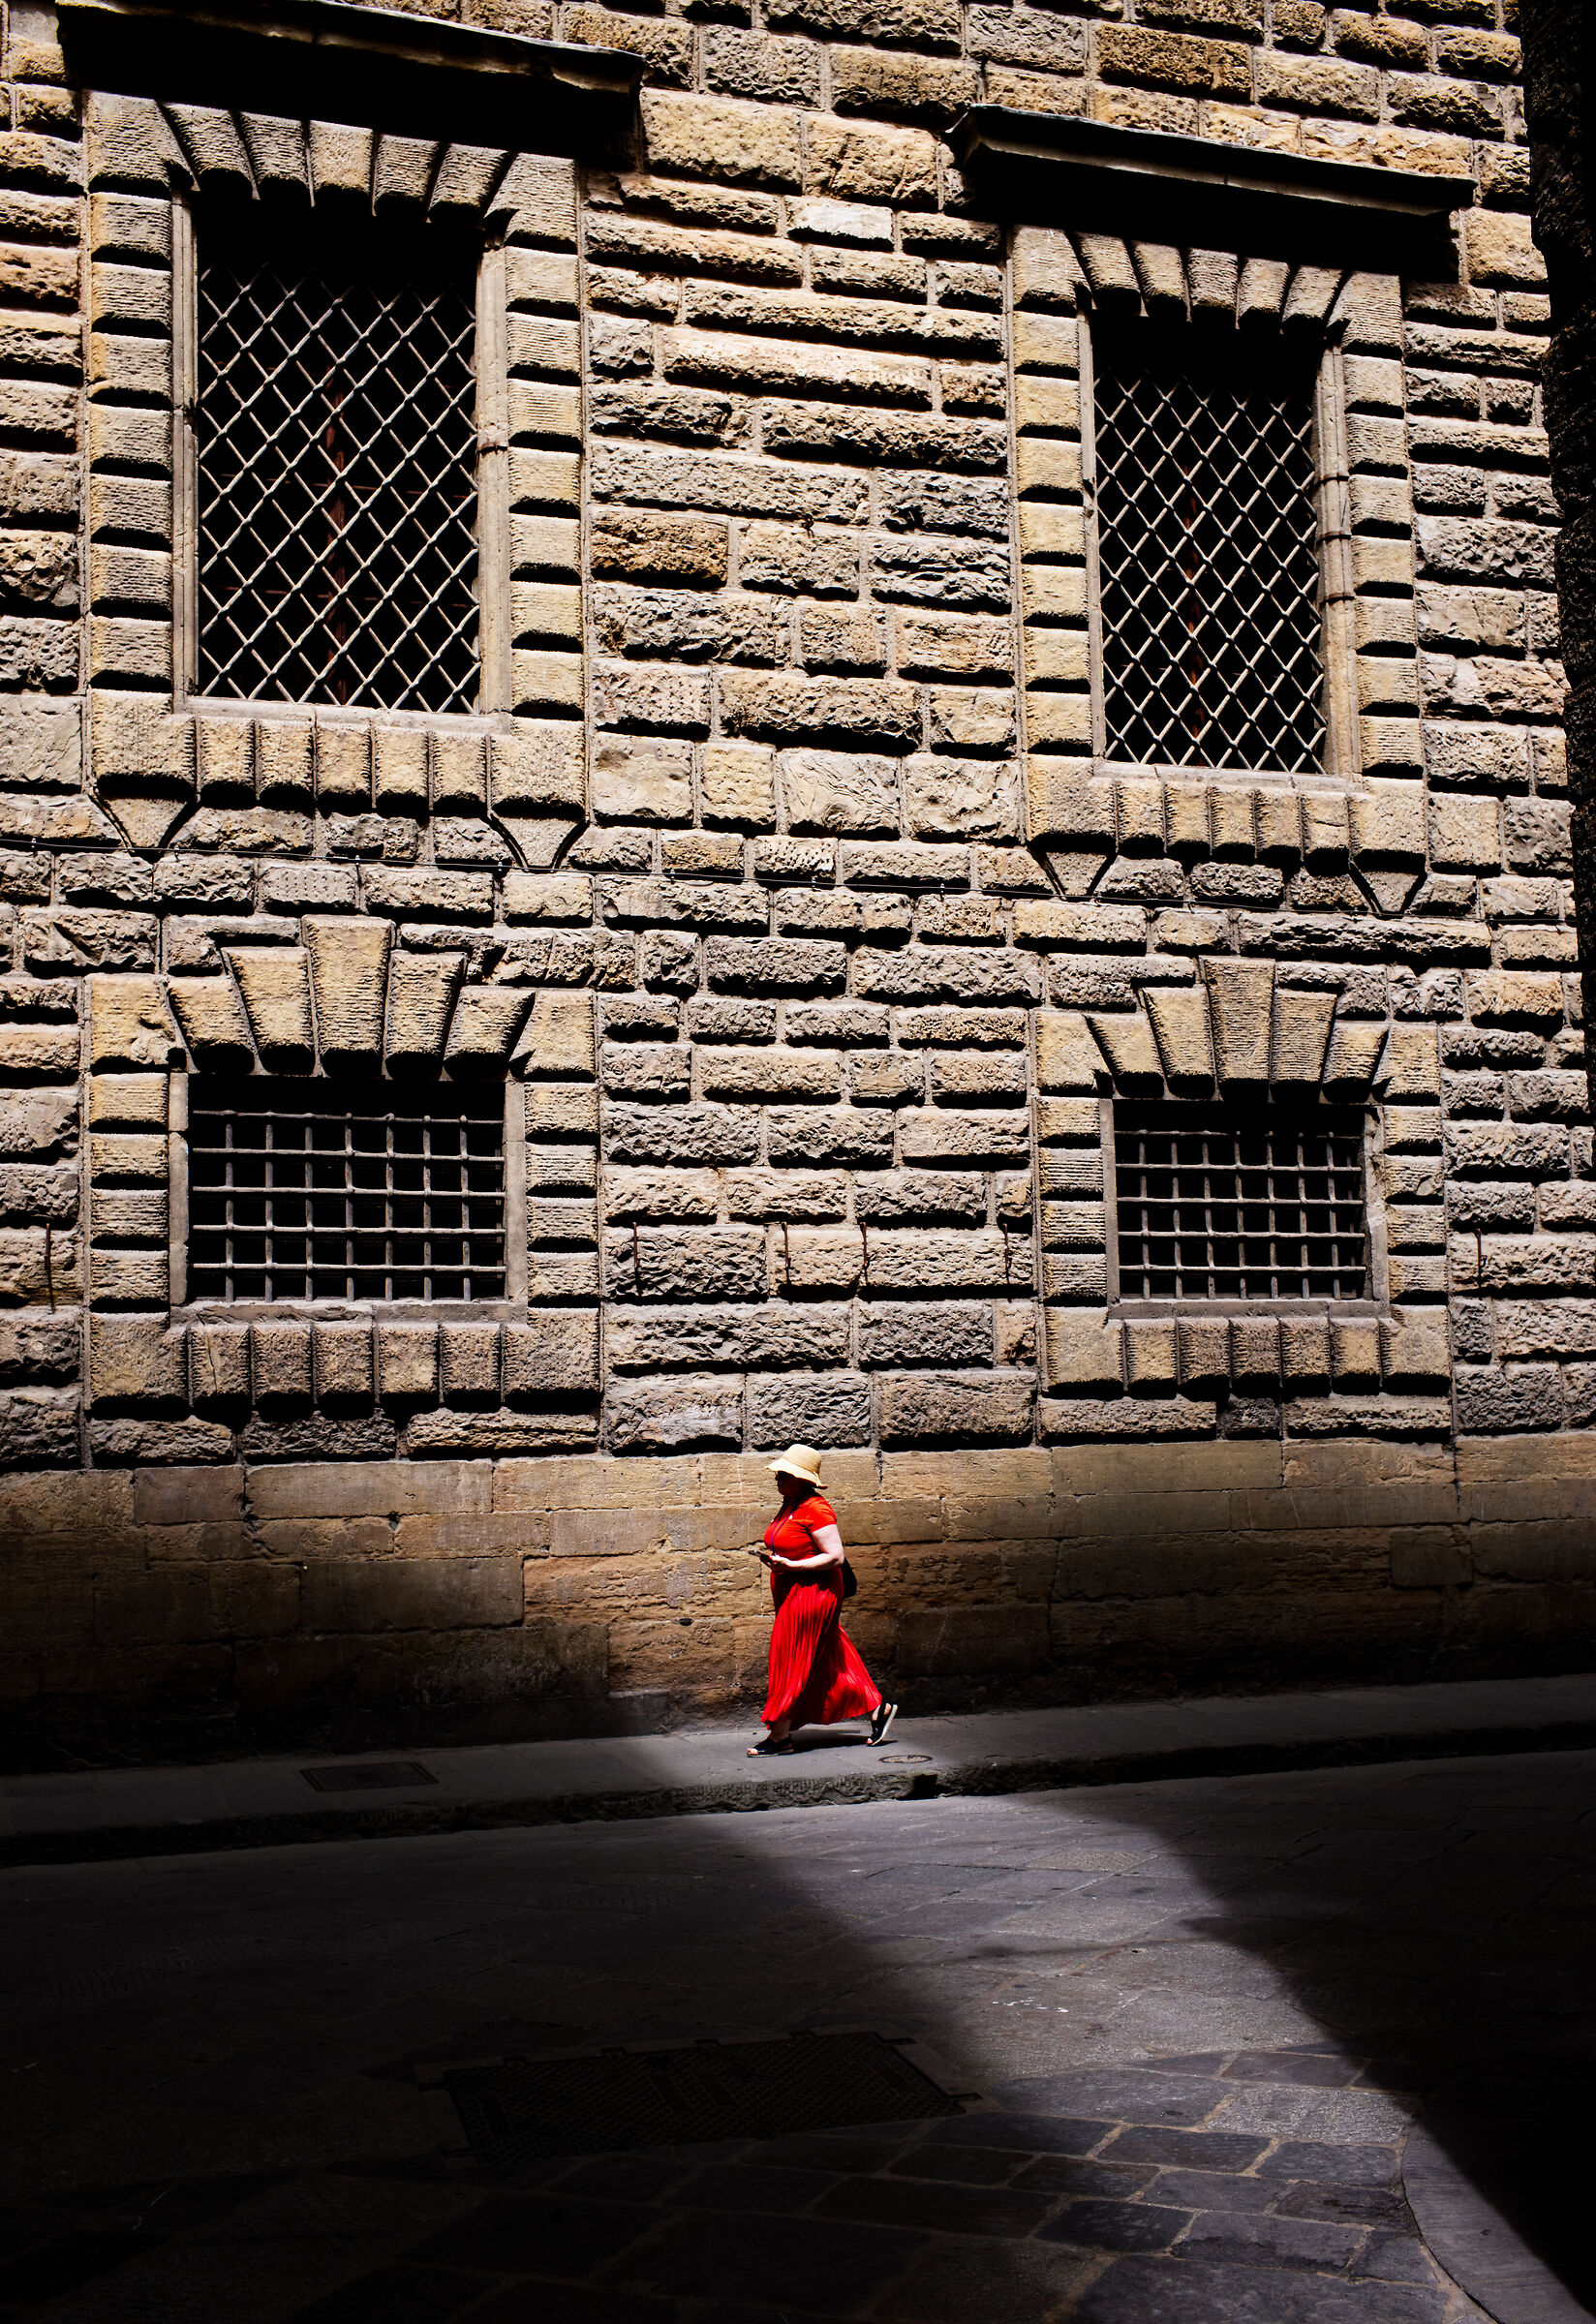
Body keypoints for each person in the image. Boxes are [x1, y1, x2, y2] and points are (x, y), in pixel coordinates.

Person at [749, 1444, 897, 1758]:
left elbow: (835, 1557)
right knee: (829, 1654)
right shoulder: (791, 1503)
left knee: (789, 1657)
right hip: (793, 1589)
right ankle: (878, 1708)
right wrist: (781, 1562)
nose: (778, 1477)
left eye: (785, 1474)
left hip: (814, 1593)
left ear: (804, 1479)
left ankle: (780, 1737)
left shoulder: (816, 1508)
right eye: (779, 1472)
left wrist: (792, 1566)